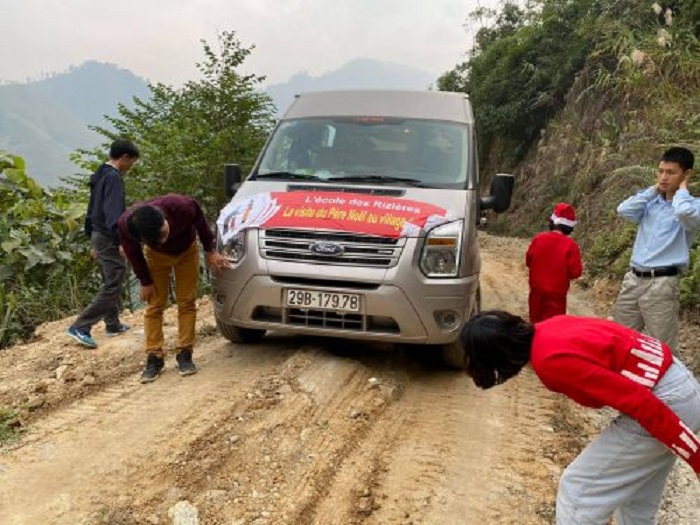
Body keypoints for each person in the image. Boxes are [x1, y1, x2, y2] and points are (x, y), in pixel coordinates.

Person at [461, 311, 700, 524]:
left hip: (665, 401)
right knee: (637, 501)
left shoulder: (549, 361)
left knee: (578, 492)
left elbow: (641, 402)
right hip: (679, 381)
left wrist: (696, 457)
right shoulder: (551, 325)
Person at [118, 194, 230, 383]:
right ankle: (155, 357)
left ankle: (185, 353)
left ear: (164, 218)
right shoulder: (126, 225)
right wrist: (145, 281)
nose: (162, 240)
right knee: (154, 305)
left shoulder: (181, 206)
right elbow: (133, 253)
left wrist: (210, 251)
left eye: (163, 234)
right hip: (156, 258)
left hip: (187, 251)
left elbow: (201, 223)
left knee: (186, 302)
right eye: (156, 239)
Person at [613, 146, 699, 353]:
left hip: (661, 284)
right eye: (661, 171)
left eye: (671, 172)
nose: (664, 177)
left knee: (663, 348)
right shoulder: (650, 204)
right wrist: (654, 190)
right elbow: (623, 210)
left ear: (686, 174)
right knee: (619, 339)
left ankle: (672, 385)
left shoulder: (692, 206)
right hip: (633, 279)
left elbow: (685, 213)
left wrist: (682, 191)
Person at [67, 139, 140, 348]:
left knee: (110, 277)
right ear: (124, 157)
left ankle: (112, 323)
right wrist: (121, 240)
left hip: (98, 234)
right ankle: (80, 326)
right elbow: (113, 213)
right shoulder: (113, 178)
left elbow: (92, 210)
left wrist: (92, 239)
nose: (130, 167)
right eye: (131, 162)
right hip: (108, 235)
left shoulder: (100, 174)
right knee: (114, 281)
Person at [525, 203, 582, 322]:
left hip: (536, 291)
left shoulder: (538, 239)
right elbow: (575, 273)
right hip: (557, 295)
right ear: (570, 227)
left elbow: (529, 261)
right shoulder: (571, 246)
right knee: (553, 325)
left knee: (535, 322)